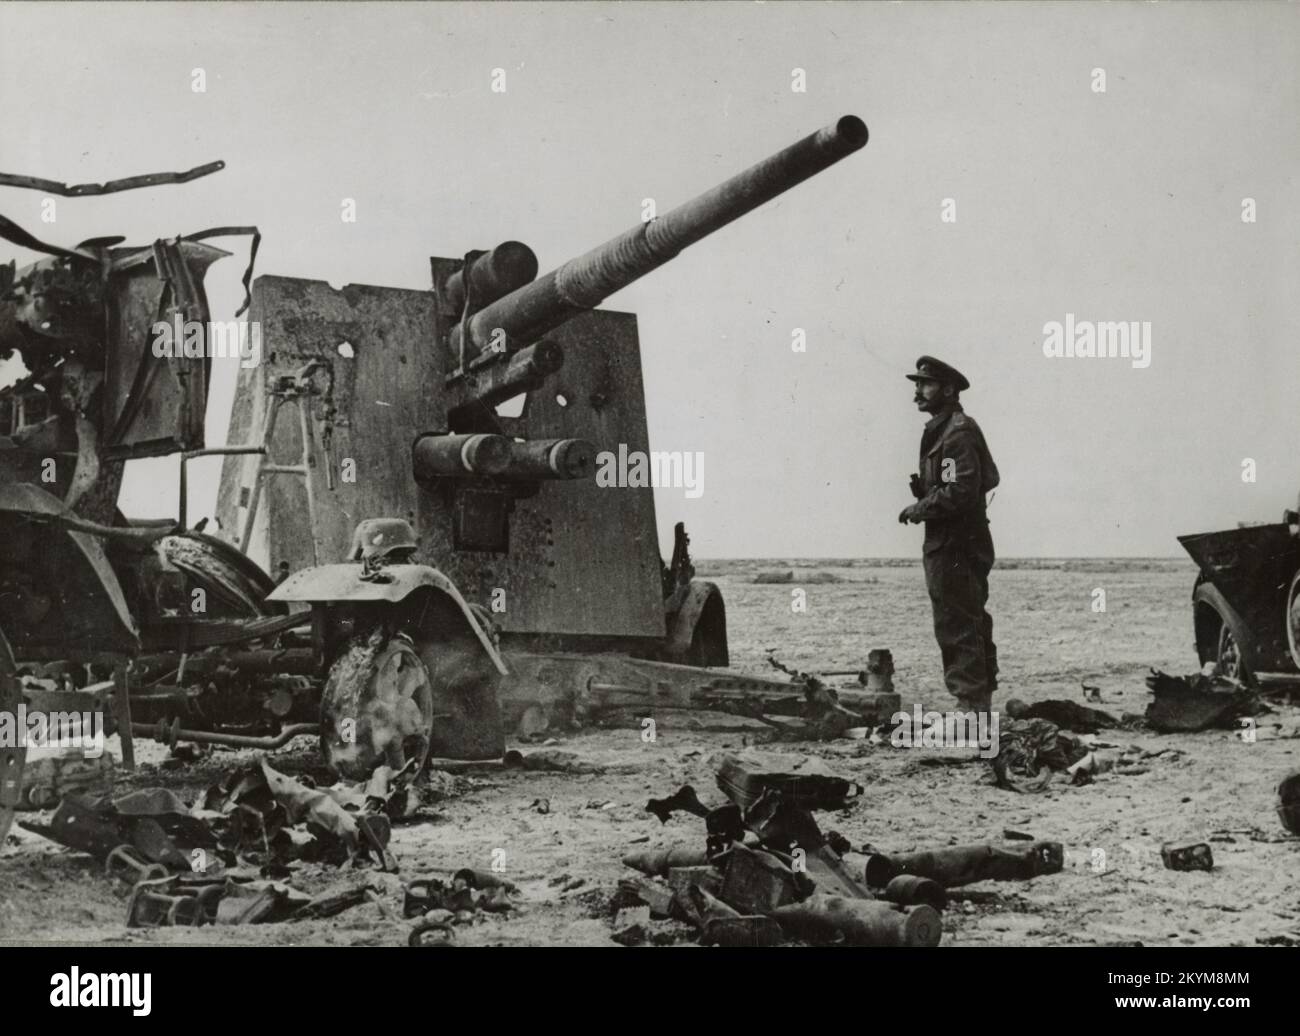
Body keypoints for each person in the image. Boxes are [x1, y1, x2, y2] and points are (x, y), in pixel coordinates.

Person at [898, 356, 1000, 712]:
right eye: (917, 385)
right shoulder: (943, 430)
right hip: (953, 540)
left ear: (949, 389)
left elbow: (962, 489)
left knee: (957, 621)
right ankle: (977, 701)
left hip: (956, 542)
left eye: (925, 385)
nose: (917, 394)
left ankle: (972, 705)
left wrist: (920, 508)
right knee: (966, 617)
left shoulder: (956, 432)